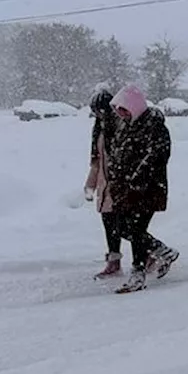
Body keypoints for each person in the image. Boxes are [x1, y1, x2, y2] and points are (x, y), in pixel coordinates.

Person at [107, 84, 179, 292]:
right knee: (121, 228)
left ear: (134, 106)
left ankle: (137, 273)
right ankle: (163, 251)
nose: (120, 114)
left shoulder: (154, 126)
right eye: (118, 110)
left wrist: (137, 179)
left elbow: (157, 156)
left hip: (147, 189)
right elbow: (118, 155)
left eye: (123, 109)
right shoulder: (127, 125)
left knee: (136, 230)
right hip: (126, 189)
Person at [84, 88, 124, 279]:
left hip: (118, 186)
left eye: (99, 111)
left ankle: (153, 250)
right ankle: (114, 261)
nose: (97, 115)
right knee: (110, 226)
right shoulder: (99, 129)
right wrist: (90, 185)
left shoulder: (120, 127)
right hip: (105, 187)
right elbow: (97, 162)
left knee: (125, 226)